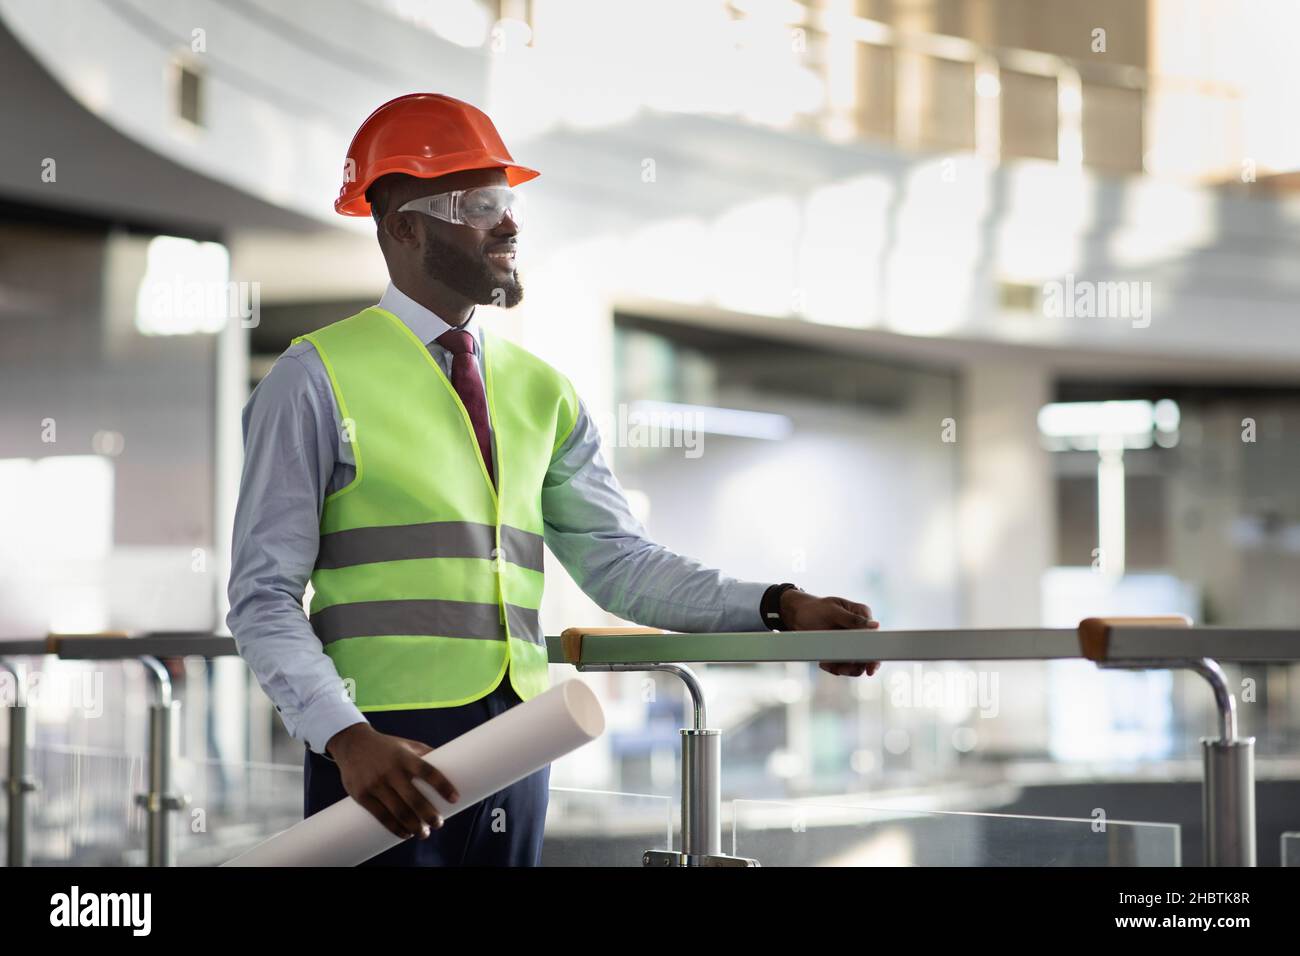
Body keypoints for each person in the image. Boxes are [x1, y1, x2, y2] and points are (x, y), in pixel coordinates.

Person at [227, 93, 880, 866]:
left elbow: (619, 564)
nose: (509, 223)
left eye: (508, 200)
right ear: (403, 226)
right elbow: (262, 596)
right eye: (478, 203)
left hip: (522, 740)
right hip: (382, 752)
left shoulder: (542, 389)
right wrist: (345, 737)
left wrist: (775, 606)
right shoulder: (313, 378)